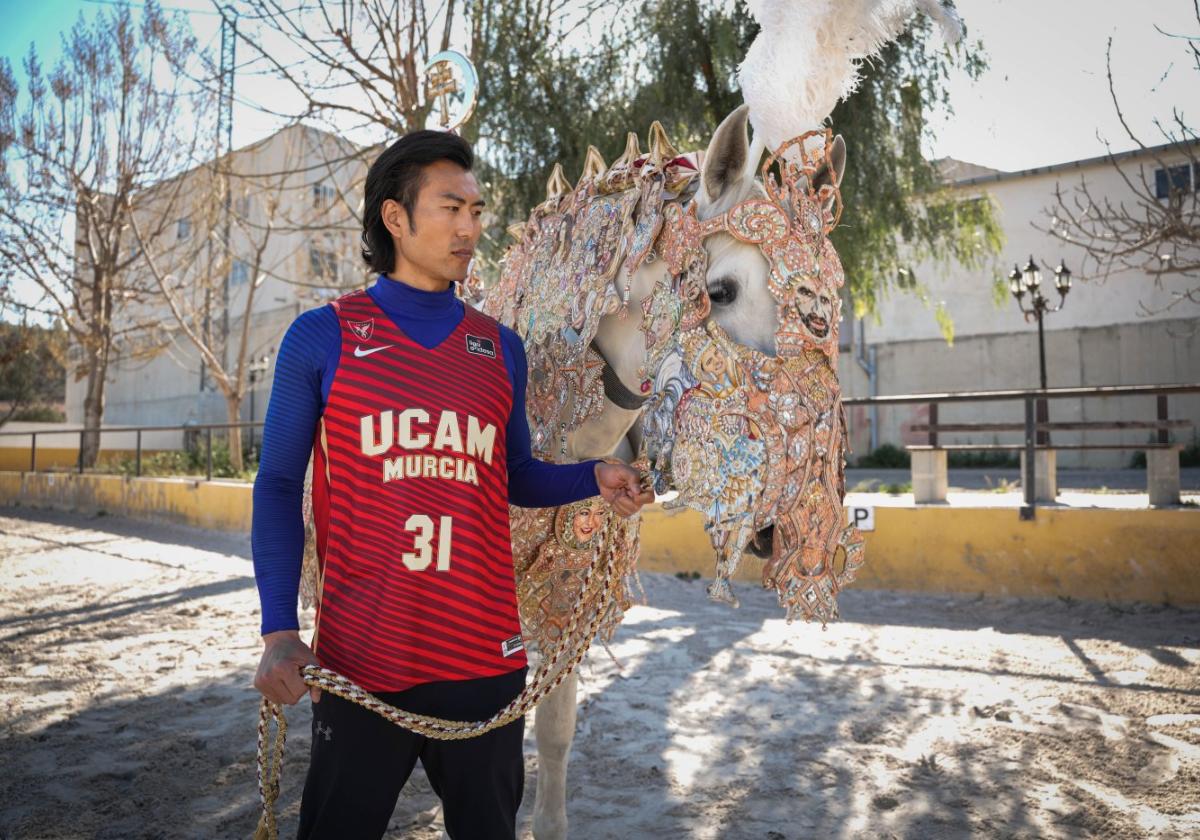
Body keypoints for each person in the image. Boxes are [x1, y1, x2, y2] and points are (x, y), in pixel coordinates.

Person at [251, 130, 654, 840]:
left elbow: (515, 476)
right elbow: (280, 484)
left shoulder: (499, 348)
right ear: (395, 218)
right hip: (361, 666)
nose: (470, 225)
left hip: (484, 669)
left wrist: (596, 475)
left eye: (476, 208)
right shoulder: (323, 337)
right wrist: (280, 629)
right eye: (450, 207)